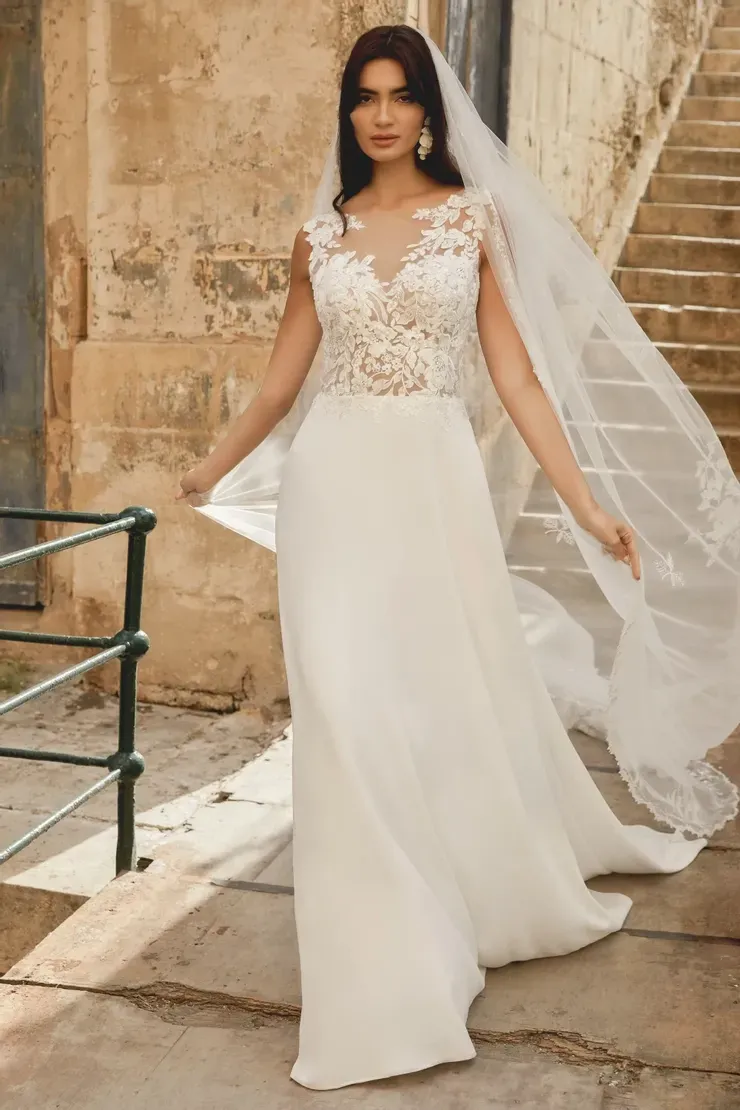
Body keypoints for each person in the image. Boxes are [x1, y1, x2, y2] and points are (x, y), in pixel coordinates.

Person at [177, 25, 738, 1091]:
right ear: (347, 113)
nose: (380, 114)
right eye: (363, 97)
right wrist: (210, 467)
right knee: (343, 717)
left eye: (398, 95)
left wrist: (586, 507)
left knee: (429, 701)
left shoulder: (470, 223)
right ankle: (381, 980)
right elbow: (276, 385)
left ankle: (458, 898)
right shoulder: (319, 236)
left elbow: (519, 382)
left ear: (429, 108)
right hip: (332, 489)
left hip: (428, 489)